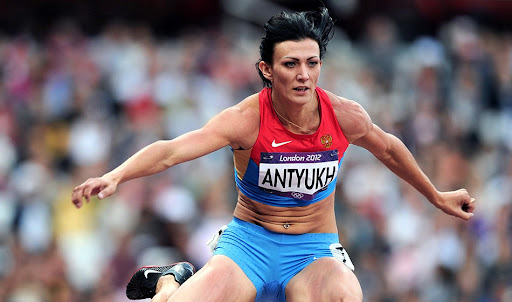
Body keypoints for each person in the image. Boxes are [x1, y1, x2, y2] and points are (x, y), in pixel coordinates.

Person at [71, 7, 476, 302]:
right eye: (291, 64)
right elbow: (171, 151)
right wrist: (116, 175)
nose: (303, 74)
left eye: (312, 63)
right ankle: (170, 281)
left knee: (345, 297)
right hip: (250, 245)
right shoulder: (247, 120)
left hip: (313, 249)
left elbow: (389, 149)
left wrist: (435, 196)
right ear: (267, 69)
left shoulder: (344, 116)